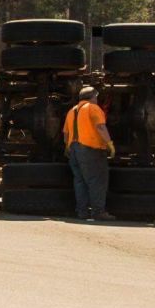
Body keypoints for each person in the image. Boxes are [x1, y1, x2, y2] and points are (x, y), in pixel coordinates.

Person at [63, 86, 116, 221]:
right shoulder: (93, 108)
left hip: (73, 150)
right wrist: (109, 144)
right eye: (96, 97)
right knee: (97, 181)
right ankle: (98, 212)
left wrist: (68, 147)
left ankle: (82, 212)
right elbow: (100, 127)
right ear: (93, 97)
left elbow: (66, 134)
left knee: (80, 181)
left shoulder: (72, 111)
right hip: (90, 150)